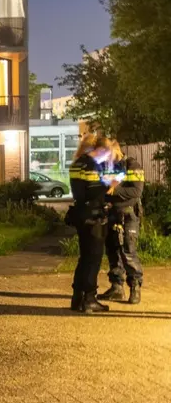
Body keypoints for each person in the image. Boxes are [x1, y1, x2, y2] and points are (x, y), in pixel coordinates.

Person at [68, 134, 113, 313]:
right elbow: (96, 192)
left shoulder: (77, 163)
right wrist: (111, 184)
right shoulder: (93, 167)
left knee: (84, 257)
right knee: (93, 258)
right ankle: (89, 299)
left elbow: (80, 193)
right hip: (94, 217)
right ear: (99, 149)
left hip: (81, 214)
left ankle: (77, 298)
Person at [98, 141, 145, 304]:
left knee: (128, 251)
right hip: (111, 214)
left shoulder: (132, 165)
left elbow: (136, 191)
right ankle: (117, 288)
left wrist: (115, 189)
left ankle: (135, 287)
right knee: (112, 251)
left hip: (128, 214)